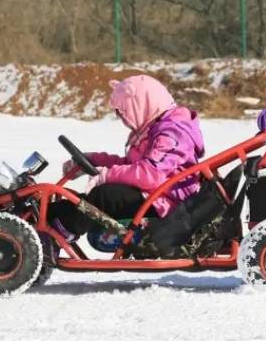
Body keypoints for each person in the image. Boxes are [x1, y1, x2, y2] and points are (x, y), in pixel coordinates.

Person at [49, 74, 205, 240]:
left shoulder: (172, 133)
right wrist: (95, 160)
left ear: (141, 105)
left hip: (167, 205)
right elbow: (131, 165)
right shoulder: (152, 129)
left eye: (123, 112)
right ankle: (45, 217)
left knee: (104, 196)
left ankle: (55, 236)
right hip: (153, 196)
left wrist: (107, 175)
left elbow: (150, 174)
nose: (121, 119)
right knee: (84, 201)